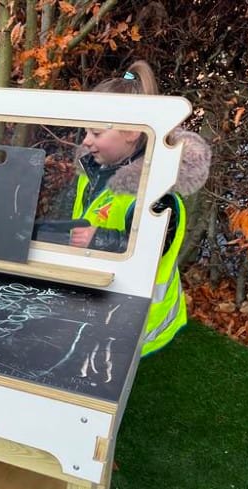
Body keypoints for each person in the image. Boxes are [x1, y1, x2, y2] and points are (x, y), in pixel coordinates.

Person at [67, 60, 211, 356]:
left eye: (95, 133)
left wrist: (98, 238)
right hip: (101, 299)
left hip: (140, 324)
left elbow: (146, 251)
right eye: (86, 132)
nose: (86, 141)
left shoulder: (159, 193)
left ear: (131, 133)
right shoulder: (94, 170)